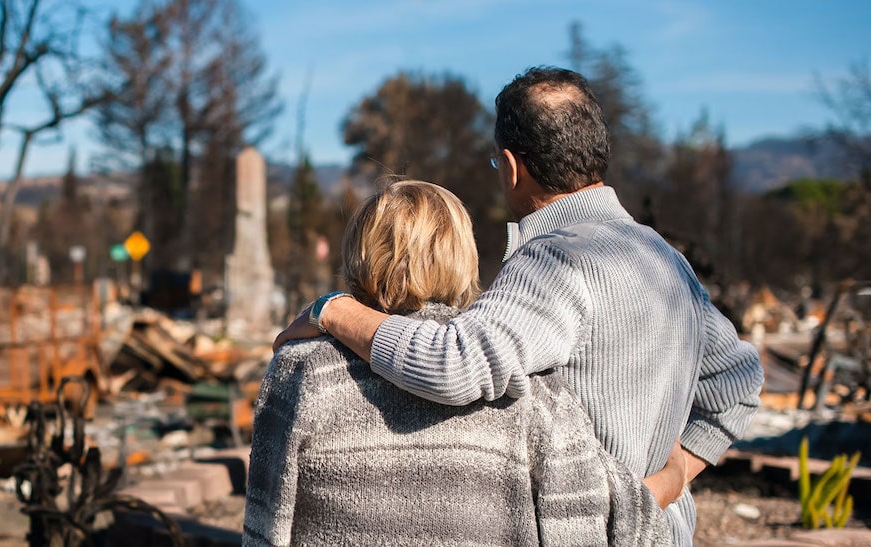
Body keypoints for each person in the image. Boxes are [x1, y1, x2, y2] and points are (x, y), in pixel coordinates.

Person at [275, 67, 764, 544]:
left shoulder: (556, 258)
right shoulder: (663, 258)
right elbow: (739, 382)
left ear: (511, 167)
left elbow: (452, 363)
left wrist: (333, 310)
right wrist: (675, 475)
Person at [245, 180, 672, 546]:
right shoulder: (529, 387)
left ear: (357, 254)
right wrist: (676, 474)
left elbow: (266, 523)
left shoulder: (301, 370)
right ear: (462, 256)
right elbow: (597, 517)